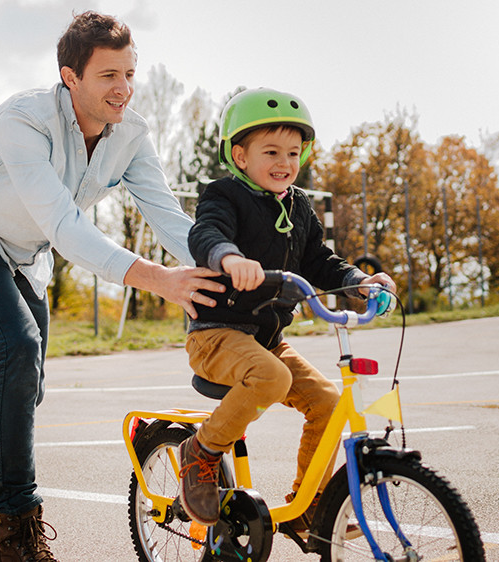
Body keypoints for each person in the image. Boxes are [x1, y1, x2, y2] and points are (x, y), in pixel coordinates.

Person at [0, 12, 223, 561]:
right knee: (18, 348)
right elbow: (63, 224)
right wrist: (156, 279)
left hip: (24, 254)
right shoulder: (22, 120)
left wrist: (223, 259)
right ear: (69, 77)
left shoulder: (130, 133)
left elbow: (169, 216)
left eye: (129, 72)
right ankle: (17, 529)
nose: (123, 88)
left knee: (26, 381)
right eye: (108, 75)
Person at [181, 88, 396, 535]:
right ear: (240, 156)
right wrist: (227, 257)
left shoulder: (300, 207)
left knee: (329, 403)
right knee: (272, 378)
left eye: (294, 152)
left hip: (267, 339)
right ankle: (201, 451)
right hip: (216, 333)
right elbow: (206, 233)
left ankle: (309, 506)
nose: (285, 161)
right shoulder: (223, 195)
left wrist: (359, 281)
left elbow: (319, 260)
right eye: (271, 151)